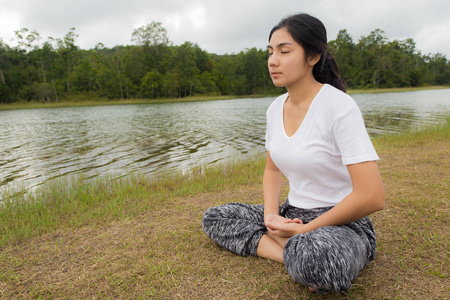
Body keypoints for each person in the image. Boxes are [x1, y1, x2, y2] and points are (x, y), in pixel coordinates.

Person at [202, 13, 385, 294]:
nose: (273, 60)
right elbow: (272, 170)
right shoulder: (275, 108)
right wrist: (273, 219)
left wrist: (304, 231)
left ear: (313, 56)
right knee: (215, 218)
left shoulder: (339, 107)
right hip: (292, 213)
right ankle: (291, 255)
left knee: (318, 258)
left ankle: (299, 254)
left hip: (341, 223)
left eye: (284, 51)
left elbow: (371, 195)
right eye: (270, 52)